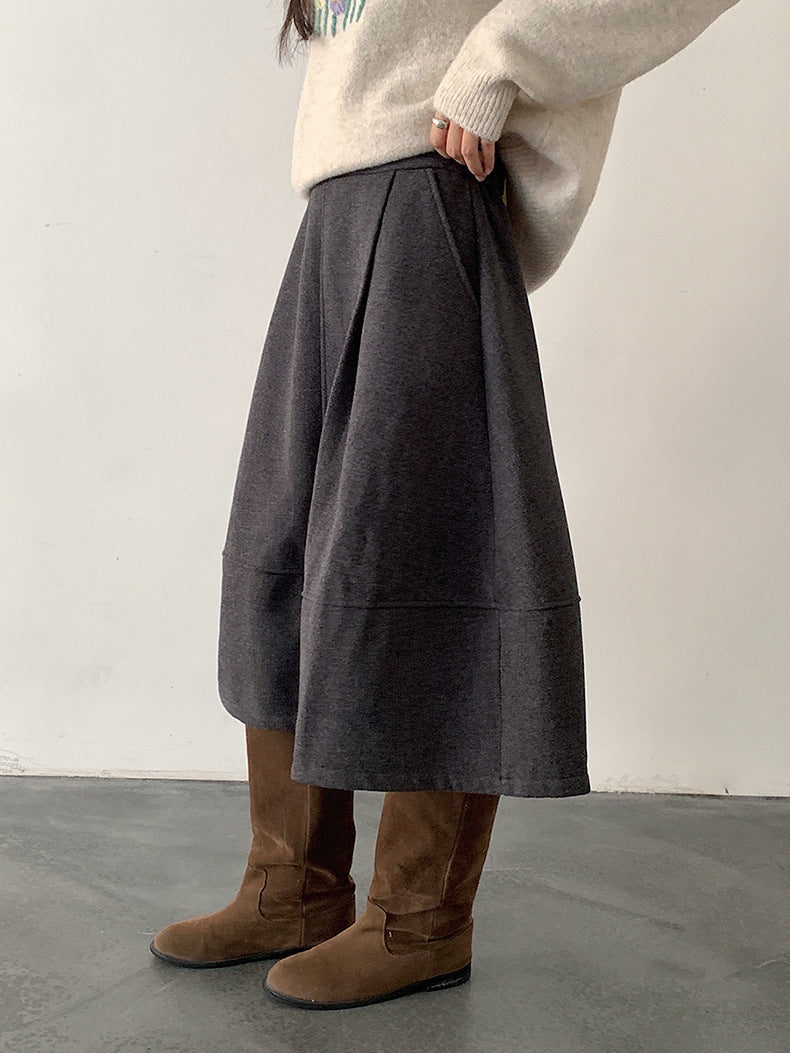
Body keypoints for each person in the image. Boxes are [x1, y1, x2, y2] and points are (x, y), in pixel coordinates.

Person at [149, 0, 742, 1010]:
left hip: (423, 199)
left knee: (433, 552)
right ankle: (293, 884)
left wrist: (496, 62)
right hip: (336, 217)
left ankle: (420, 919)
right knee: (284, 552)